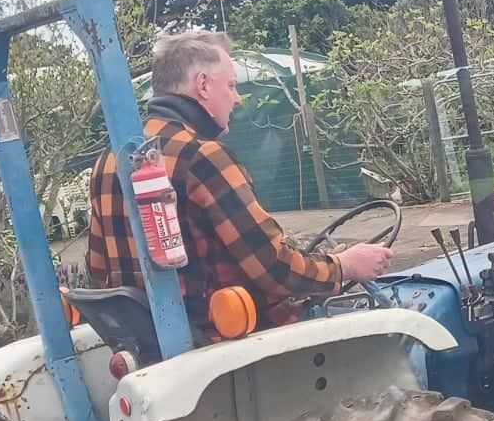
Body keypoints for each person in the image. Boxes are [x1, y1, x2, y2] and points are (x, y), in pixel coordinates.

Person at [85, 31, 393, 340]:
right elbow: (272, 267)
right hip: (226, 341)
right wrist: (344, 266)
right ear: (203, 85)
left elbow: (98, 268)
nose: (237, 98)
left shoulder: (109, 161)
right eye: (231, 86)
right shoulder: (203, 156)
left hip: (153, 342)